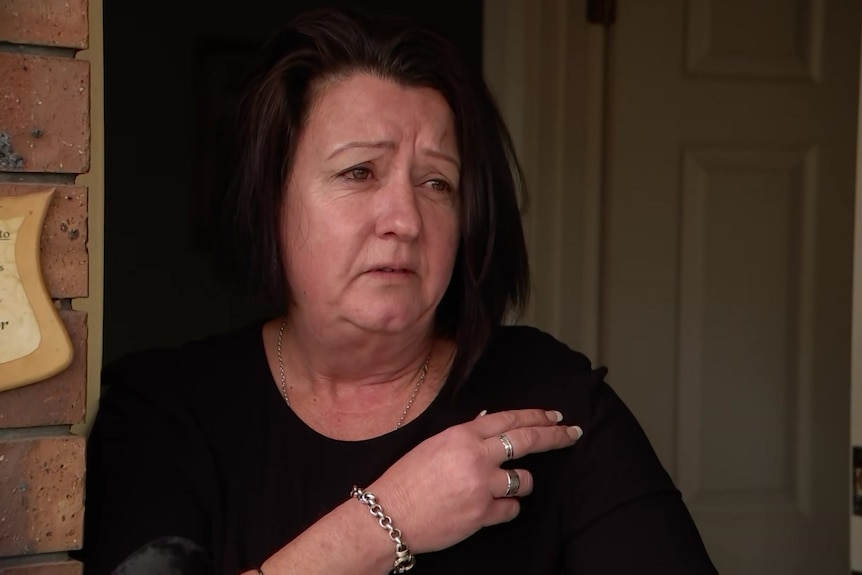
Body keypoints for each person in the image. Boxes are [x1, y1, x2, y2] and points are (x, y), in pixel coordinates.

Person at [80, 7, 718, 575]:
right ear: (270, 199)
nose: (406, 219)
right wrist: (388, 520)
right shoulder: (163, 412)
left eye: (437, 183)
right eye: (359, 172)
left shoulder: (549, 405)